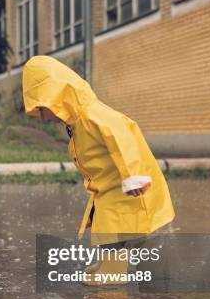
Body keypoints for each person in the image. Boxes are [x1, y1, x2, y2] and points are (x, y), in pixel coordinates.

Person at [22, 55, 175, 285]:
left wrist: (133, 176)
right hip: (108, 187)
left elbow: (122, 139)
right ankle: (106, 264)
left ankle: (114, 271)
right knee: (105, 225)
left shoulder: (92, 114)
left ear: (56, 96)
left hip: (125, 188)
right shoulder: (77, 121)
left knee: (115, 227)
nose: (42, 118)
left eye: (42, 109)